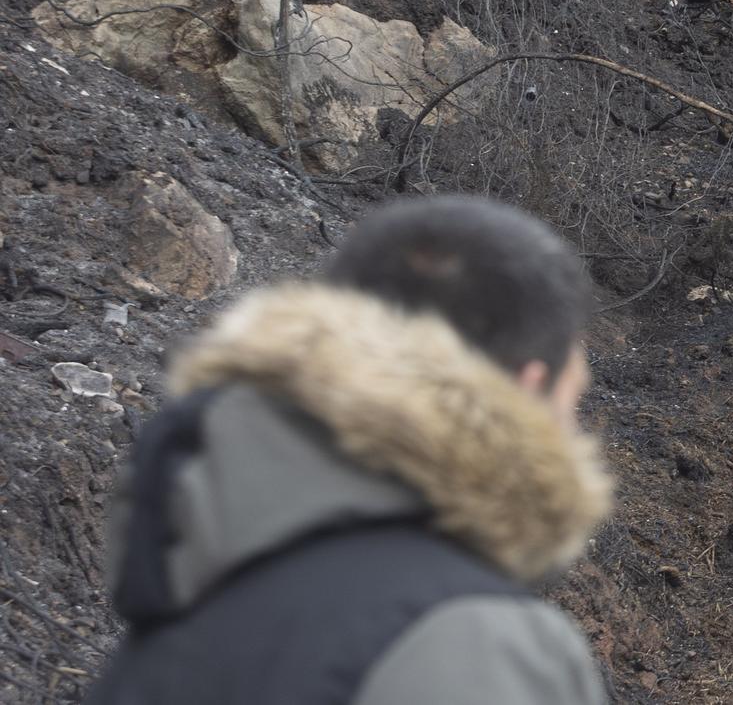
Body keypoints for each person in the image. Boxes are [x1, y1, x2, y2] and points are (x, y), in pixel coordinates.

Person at [86, 195, 614, 705]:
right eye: (573, 403)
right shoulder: (472, 641)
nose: (573, 434)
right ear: (526, 390)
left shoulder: (189, 600)